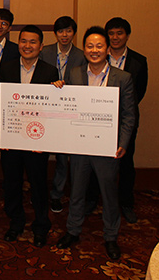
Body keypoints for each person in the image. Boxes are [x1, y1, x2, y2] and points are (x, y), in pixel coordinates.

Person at [56, 26, 137, 260]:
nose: (94, 50)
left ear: (107, 49)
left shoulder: (122, 78)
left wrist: (123, 143)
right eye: (90, 46)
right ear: (84, 49)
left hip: (107, 146)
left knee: (108, 193)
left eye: (99, 46)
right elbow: (66, 105)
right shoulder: (75, 73)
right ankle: (73, 230)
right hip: (80, 145)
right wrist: (58, 88)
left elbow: (129, 115)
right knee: (77, 190)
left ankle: (111, 236)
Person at [0, 25, 62, 247]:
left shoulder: (50, 72)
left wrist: (59, 90)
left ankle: (41, 226)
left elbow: (53, 109)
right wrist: (1, 134)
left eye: (33, 42)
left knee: (38, 184)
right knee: (11, 183)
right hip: (12, 138)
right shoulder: (6, 68)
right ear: (18, 44)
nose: (27, 46)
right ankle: (15, 223)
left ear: (41, 46)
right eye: (23, 41)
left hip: (37, 140)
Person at [40, 15, 87, 213]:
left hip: (68, 112)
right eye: (60, 31)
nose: (64, 35)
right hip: (45, 110)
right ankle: (39, 192)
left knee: (62, 157)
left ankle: (57, 194)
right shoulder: (45, 52)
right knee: (40, 155)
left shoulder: (82, 55)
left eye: (68, 30)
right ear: (55, 33)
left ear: (74, 33)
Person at [105, 17, 148, 224]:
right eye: (111, 33)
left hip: (125, 120)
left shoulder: (139, 61)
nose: (115, 37)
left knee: (126, 162)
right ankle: (92, 199)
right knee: (96, 160)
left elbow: (140, 92)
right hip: (100, 119)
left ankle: (126, 203)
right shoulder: (97, 55)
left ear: (127, 35)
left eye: (119, 33)